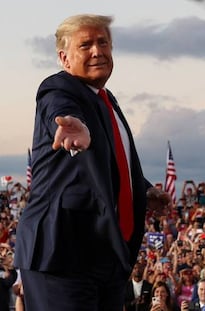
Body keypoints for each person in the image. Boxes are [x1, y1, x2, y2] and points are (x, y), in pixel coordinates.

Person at [14, 14, 169, 311]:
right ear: (64, 57)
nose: (98, 51)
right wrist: (74, 125)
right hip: (61, 255)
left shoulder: (107, 100)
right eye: (86, 45)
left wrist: (144, 191)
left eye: (103, 42)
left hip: (105, 258)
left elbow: (110, 164)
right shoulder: (59, 88)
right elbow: (59, 110)